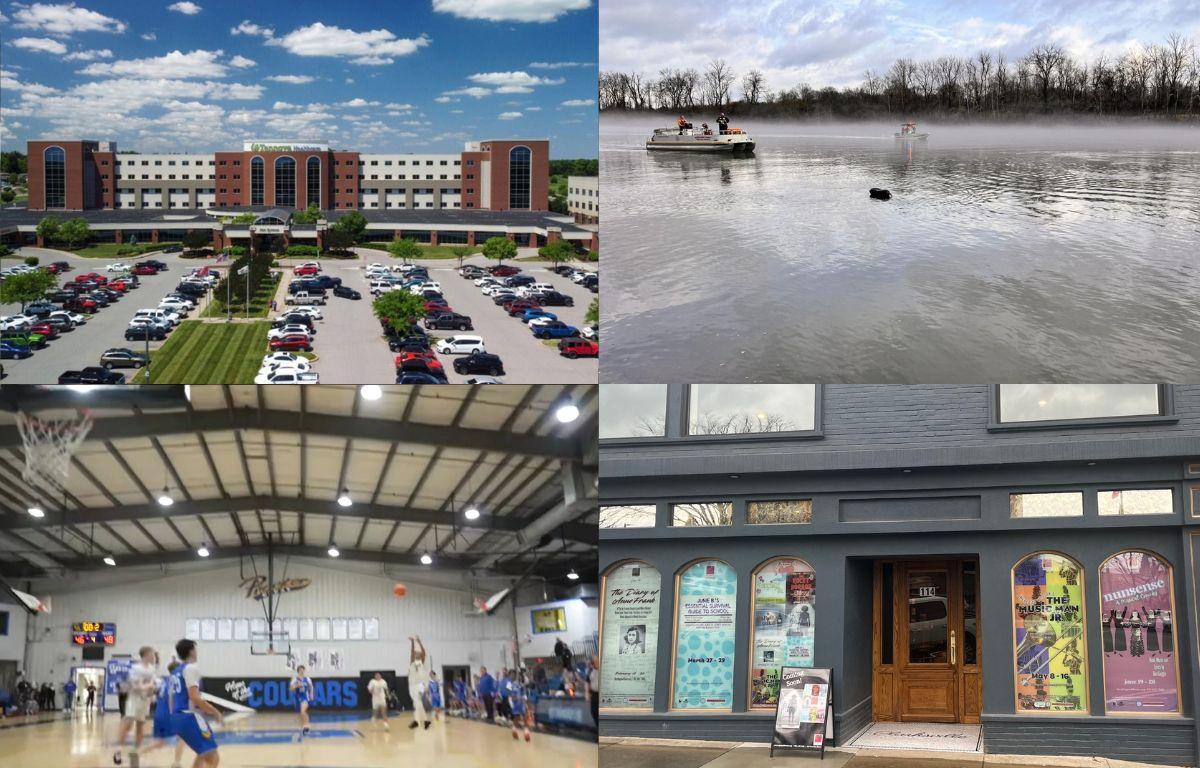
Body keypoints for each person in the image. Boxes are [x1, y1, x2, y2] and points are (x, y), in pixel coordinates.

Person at [168, 639, 222, 768]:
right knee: (213, 756)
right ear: (191, 651)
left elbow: (170, 698)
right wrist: (216, 712)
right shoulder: (191, 668)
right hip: (187, 715)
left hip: (177, 716)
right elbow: (194, 697)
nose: (197, 653)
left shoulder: (176, 671)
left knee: (202, 754)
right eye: (196, 650)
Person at [114, 646, 159, 766]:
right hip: (134, 699)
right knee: (128, 724)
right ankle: (118, 750)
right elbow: (135, 687)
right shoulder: (135, 668)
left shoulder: (152, 669)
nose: (154, 657)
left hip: (145, 701)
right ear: (145, 655)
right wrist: (147, 686)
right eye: (152, 654)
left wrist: (151, 691)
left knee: (140, 726)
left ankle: (135, 752)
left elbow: (153, 686)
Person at [408, 636, 431, 730]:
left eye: (418, 653)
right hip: (412, 685)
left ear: (421, 655)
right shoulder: (412, 662)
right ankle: (425, 721)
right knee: (417, 704)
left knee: (417, 702)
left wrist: (419, 642)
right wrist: (412, 642)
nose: (416, 653)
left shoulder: (422, 662)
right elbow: (411, 652)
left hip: (419, 685)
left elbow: (424, 652)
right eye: (415, 653)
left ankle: (417, 722)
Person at [290, 665, 315, 736]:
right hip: (298, 698)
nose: (302, 671)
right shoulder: (295, 679)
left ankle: (307, 726)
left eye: (303, 670)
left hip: (305, 698)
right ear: (298, 671)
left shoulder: (307, 679)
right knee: (300, 714)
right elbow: (291, 689)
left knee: (303, 711)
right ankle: (303, 727)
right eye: (301, 670)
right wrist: (296, 686)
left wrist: (311, 696)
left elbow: (311, 687)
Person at [508, 671, 530, 742]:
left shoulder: (522, 685)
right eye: (519, 676)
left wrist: (525, 701)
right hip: (515, 704)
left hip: (521, 703)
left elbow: (524, 695)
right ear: (516, 676)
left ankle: (526, 733)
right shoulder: (511, 684)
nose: (520, 677)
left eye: (521, 676)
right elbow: (511, 695)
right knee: (516, 718)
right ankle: (514, 730)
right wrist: (512, 701)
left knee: (525, 717)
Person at [588, 656, 600, 729]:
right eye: (593, 662)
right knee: (593, 712)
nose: (594, 663)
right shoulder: (591, 672)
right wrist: (588, 692)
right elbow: (589, 682)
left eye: (595, 661)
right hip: (594, 695)